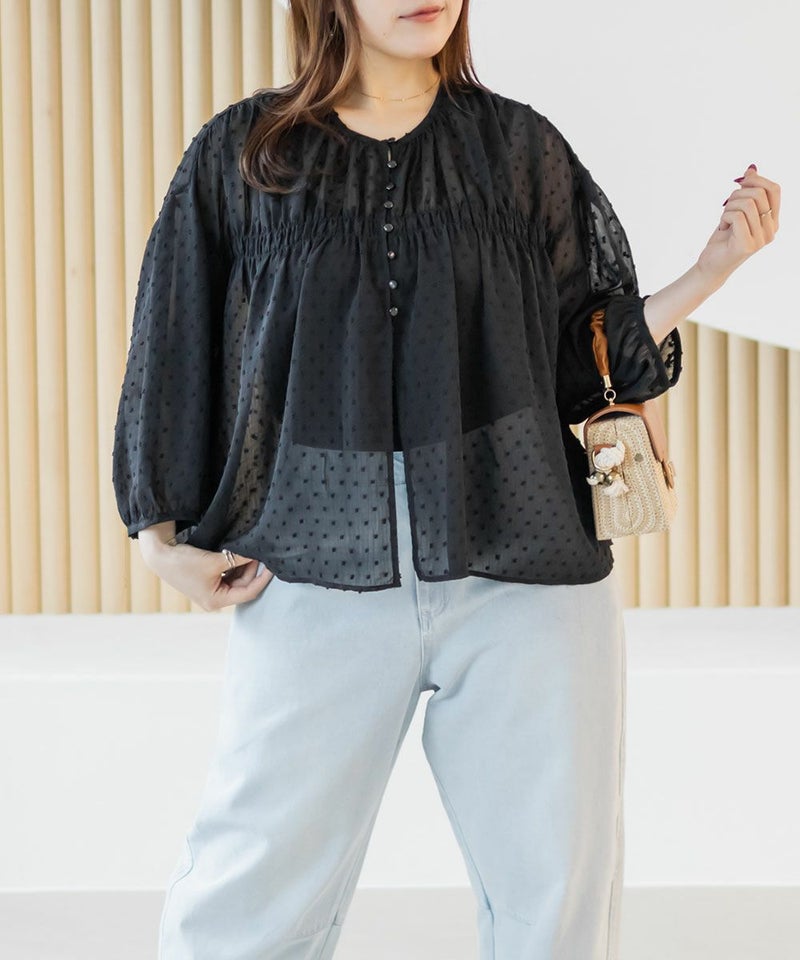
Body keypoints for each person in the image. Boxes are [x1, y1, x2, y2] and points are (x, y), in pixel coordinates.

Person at [111, 2, 780, 958]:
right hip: (315, 566)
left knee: (555, 913)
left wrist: (711, 271)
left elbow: (584, 355)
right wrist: (156, 537)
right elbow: (172, 337)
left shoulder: (520, 150)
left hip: (525, 567)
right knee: (242, 908)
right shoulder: (248, 155)